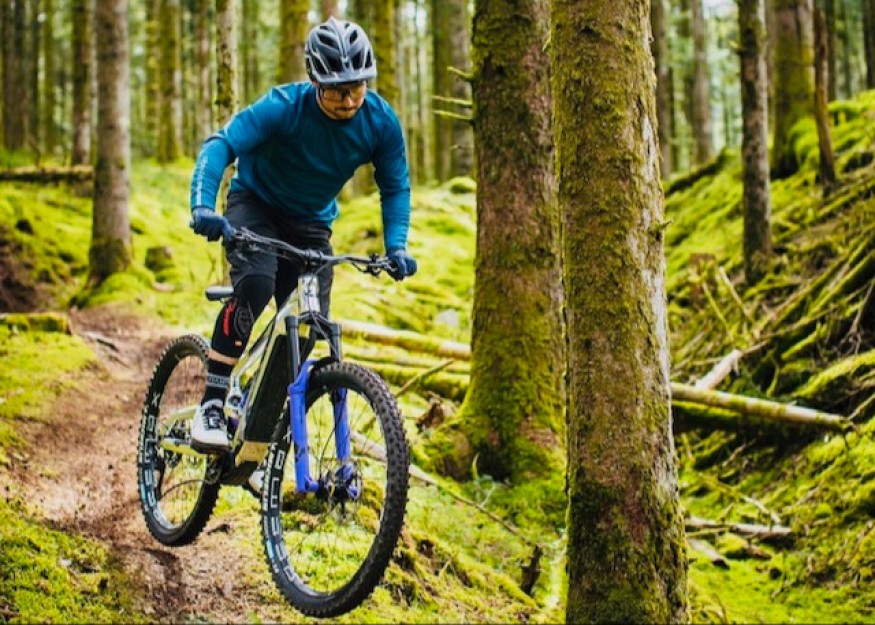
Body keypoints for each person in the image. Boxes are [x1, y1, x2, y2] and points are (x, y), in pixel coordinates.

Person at [187, 16, 417, 456]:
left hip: (311, 223)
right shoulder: (283, 107)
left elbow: (395, 186)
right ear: (315, 81)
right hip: (256, 205)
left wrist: (397, 246)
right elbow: (221, 144)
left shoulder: (380, 122)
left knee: (310, 324)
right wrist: (202, 206)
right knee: (256, 284)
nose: (349, 100)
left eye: (357, 87)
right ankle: (213, 404)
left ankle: (256, 409)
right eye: (336, 90)